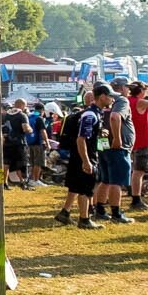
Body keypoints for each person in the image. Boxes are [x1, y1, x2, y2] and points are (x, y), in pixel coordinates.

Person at [55, 92, 103, 229]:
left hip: (76, 154)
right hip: (85, 154)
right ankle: (84, 219)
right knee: (85, 188)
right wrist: (86, 161)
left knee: (76, 185)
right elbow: (81, 139)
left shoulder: (80, 114)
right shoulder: (90, 115)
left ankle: (65, 212)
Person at [92, 86, 133, 222]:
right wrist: (117, 138)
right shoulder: (121, 101)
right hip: (117, 147)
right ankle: (116, 213)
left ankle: (100, 210)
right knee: (117, 181)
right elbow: (115, 117)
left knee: (105, 180)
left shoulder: (98, 105)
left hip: (103, 144)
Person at [125, 83, 148, 211]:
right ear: (141, 91)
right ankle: (136, 199)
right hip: (143, 140)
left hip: (132, 139)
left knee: (134, 171)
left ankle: (134, 195)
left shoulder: (127, 101)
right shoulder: (141, 102)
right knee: (139, 172)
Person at [25, 102, 47, 188]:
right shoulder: (39, 118)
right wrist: (47, 143)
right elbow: (43, 131)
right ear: (42, 110)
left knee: (32, 162)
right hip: (38, 143)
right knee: (38, 162)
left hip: (29, 143)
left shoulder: (29, 117)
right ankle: (36, 180)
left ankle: (30, 179)